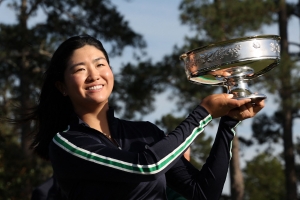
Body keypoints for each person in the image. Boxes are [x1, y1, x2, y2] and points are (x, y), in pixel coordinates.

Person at [24, 35, 264, 200]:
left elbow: (203, 193)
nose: (93, 75)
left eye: (100, 64)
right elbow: (146, 167)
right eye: (79, 69)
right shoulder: (68, 143)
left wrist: (228, 124)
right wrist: (204, 113)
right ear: (62, 87)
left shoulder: (144, 133)